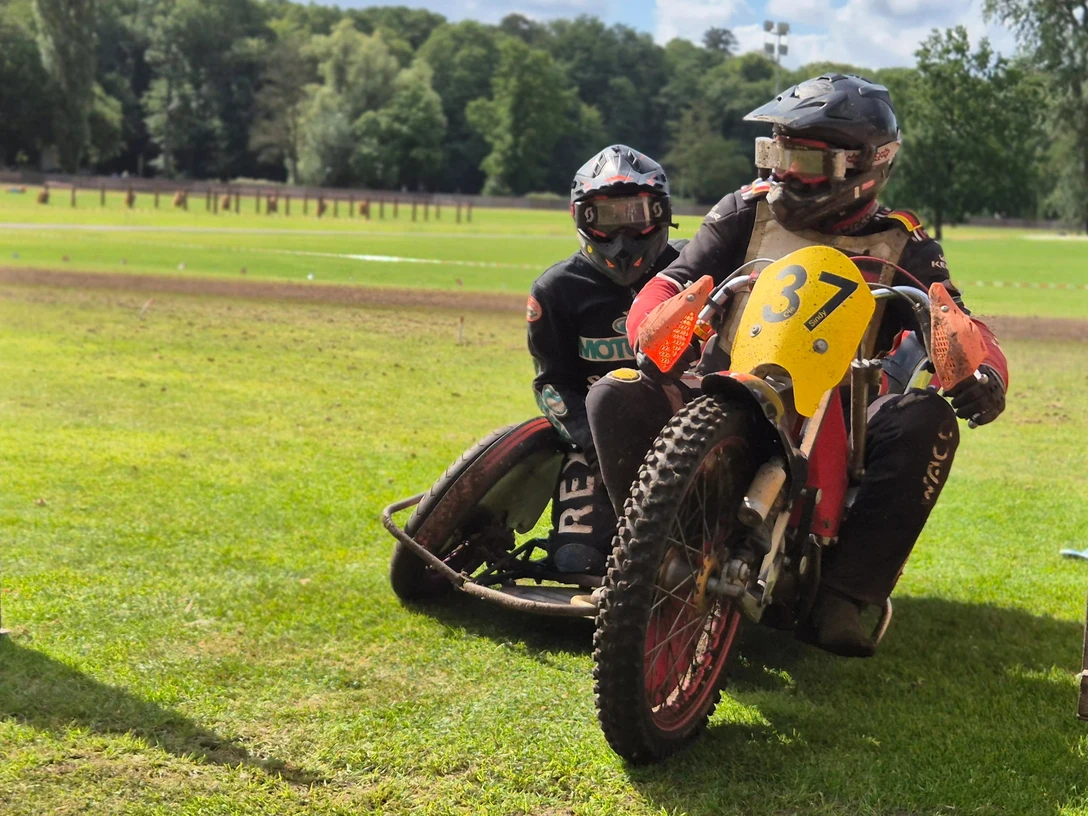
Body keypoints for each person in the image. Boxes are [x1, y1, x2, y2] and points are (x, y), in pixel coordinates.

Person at [585, 75, 1009, 655]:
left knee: (924, 417)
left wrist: (985, 374)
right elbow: (667, 284)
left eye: (803, 159)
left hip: (842, 409)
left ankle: (847, 593)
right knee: (616, 391)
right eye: (775, 153)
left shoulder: (903, 243)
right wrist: (656, 329)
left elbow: (958, 319)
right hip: (721, 385)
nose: (782, 172)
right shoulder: (743, 212)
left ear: (865, 164)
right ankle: (655, 556)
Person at [528, 144, 687, 574]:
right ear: (581, 218)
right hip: (595, 443)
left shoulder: (695, 268)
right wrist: (593, 440)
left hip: (689, 435)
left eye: (637, 215)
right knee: (574, 561)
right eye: (607, 218)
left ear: (661, 213)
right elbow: (552, 383)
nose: (623, 237)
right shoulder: (556, 290)